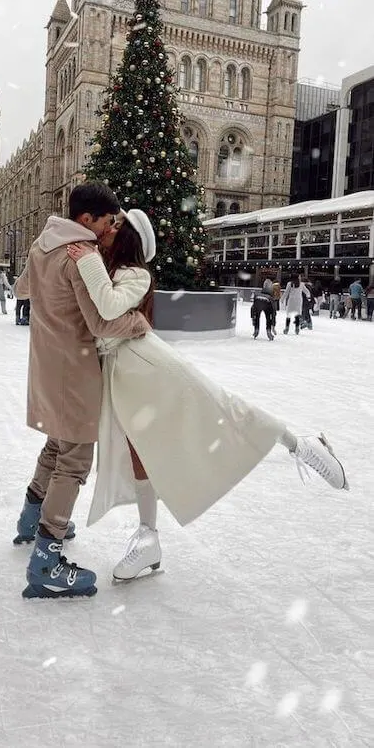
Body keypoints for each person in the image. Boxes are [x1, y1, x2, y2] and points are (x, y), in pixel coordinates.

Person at [66, 210, 348, 582]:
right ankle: (148, 537)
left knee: (223, 407)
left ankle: (302, 445)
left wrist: (86, 261)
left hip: (150, 365)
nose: (108, 229)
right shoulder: (104, 266)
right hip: (122, 374)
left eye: (117, 226)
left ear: (130, 239)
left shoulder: (136, 274)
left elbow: (106, 307)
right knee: (139, 452)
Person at [13, 182, 150, 600]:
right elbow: (103, 324)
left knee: (55, 447)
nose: (110, 229)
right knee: (72, 461)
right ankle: (47, 559)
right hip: (75, 372)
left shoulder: (42, 245)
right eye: (108, 220)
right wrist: (139, 324)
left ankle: (30, 518)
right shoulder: (82, 256)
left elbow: (22, 290)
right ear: (86, 220)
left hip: (45, 364)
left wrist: (52, 301)